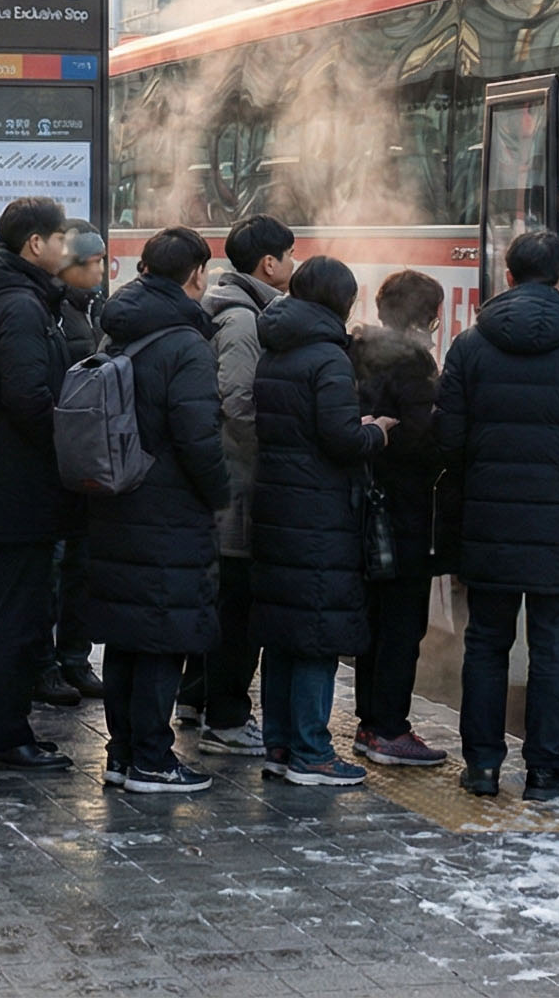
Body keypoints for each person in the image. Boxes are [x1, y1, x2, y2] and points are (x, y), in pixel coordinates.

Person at [438, 229, 559, 802]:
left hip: (489, 521)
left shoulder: (470, 345)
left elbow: (448, 436)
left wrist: (476, 484)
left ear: (508, 276)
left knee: (485, 643)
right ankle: (546, 771)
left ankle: (481, 768)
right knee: (552, 649)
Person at [84, 227, 229, 793]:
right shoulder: (186, 344)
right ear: (196, 275)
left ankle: (122, 754)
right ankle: (151, 758)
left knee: (127, 635)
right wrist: (218, 493)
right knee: (164, 635)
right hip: (169, 508)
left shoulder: (118, 328)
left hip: (117, 497)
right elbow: (198, 437)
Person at [249, 256, 391, 788]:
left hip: (278, 504)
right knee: (315, 631)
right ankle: (311, 752)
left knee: (283, 632)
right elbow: (340, 438)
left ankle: (279, 745)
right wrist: (376, 431)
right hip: (319, 511)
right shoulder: (328, 357)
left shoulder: (276, 348)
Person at [0, 197, 81, 771]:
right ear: (35, 244)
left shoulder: (5, 296)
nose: (66, 249)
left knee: (10, 608)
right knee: (18, 614)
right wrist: (70, 443)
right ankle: (5, 736)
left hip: (3, 479)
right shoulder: (21, 306)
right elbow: (29, 399)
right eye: (60, 238)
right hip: (21, 483)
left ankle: (3, 729)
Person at [182, 213, 294, 754]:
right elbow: (240, 404)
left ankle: (194, 698)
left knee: (221, 597)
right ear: (269, 264)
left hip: (222, 477)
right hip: (238, 484)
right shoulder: (246, 321)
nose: (293, 265)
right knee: (237, 603)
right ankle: (225, 718)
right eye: (288, 256)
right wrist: (278, 448)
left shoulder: (225, 306)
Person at [348, 269, 447, 767]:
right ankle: (388, 728)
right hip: (404, 511)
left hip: (364, 506)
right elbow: (420, 439)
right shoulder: (413, 364)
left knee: (373, 617)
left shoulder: (356, 351)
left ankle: (370, 722)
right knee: (403, 624)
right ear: (425, 317)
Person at [41, 223, 110, 705]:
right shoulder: (53, 310)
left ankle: (74, 657)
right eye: (96, 262)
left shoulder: (96, 309)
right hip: (53, 453)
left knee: (81, 565)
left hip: (86, 454)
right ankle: (44, 663)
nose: (103, 271)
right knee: (53, 566)